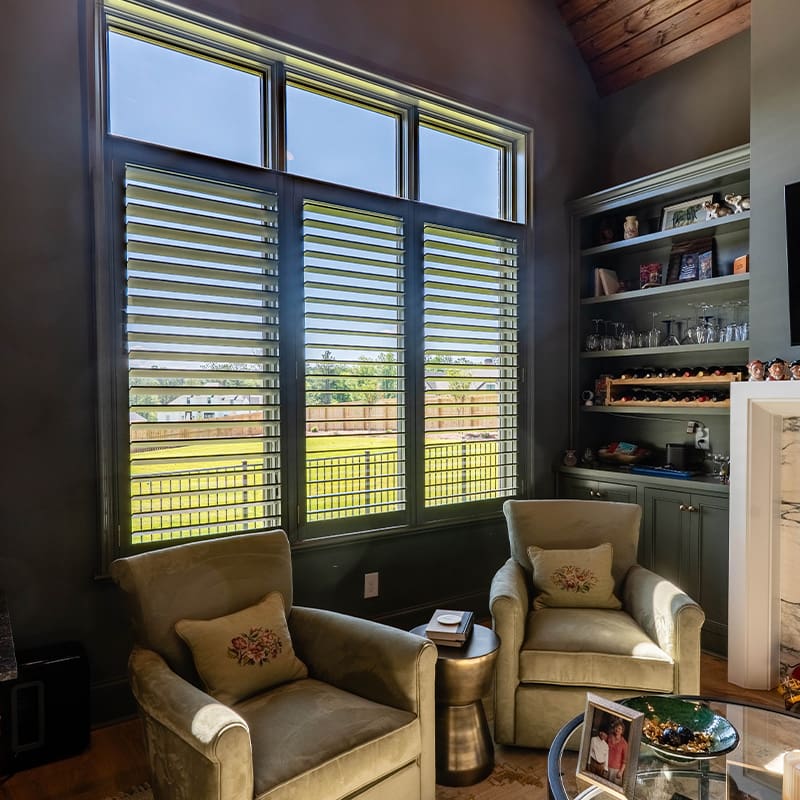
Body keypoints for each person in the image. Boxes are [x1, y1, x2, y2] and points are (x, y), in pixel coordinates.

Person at [606, 719, 628, 785]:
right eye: (616, 727)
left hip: (616, 771)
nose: (617, 730)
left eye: (619, 729)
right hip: (606, 767)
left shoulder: (624, 743)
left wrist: (621, 772)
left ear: (622, 731)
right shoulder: (609, 737)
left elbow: (625, 760)